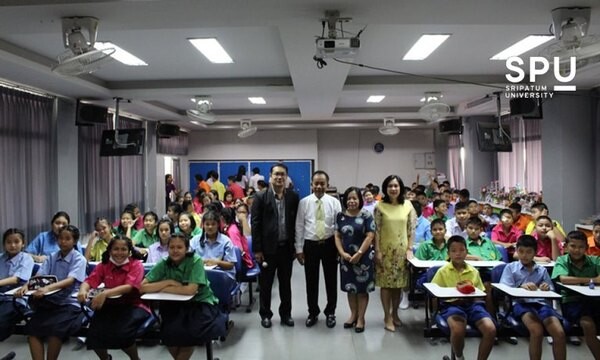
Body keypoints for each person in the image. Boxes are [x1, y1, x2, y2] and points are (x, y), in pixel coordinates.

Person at [141, 234, 227, 360]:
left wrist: (163, 288)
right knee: (169, 335)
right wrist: (167, 282)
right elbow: (142, 287)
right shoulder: (164, 263)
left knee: (189, 333)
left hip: (200, 304)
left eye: (179, 247)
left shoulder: (195, 261)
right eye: (172, 247)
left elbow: (190, 290)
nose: (175, 251)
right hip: (174, 305)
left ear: (187, 249)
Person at [16, 225, 87, 360]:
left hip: (69, 303)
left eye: (67, 239)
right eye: (60, 238)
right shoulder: (52, 257)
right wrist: (27, 285)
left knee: (55, 332)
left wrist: (48, 288)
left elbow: (70, 280)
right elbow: (39, 276)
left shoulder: (79, 259)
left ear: (74, 241)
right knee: (32, 331)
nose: (63, 242)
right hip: (50, 301)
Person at [77, 236, 150, 360]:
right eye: (116, 249)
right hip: (110, 305)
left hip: (134, 305)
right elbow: (90, 280)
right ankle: (105, 358)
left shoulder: (136, 264)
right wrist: (82, 290)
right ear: (110, 250)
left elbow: (129, 287)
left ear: (129, 251)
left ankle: (135, 358)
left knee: (122, 334)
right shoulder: (104, 265)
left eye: (124, 249)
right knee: (94, 334)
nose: (120, 253)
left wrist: (105, 294)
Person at [500, 235, 566, 360]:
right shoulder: (510, 268)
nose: (525, 255)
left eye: (529, 252)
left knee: (559, 333)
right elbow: (505, 290)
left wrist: (546, 288)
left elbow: (551, 291)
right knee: (537, 331)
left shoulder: (542, 270)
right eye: (521, 251)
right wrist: (520, 286)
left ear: (535, 253)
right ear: (516, 251)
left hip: (542, 304)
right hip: (521, 305)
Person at [431, 235, 497, 360]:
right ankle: (460, 357)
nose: (458, 254)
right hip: (451, 305)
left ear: (467, 252)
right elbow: (434, 293)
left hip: (473, 305)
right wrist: (435, 313)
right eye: (454, 251)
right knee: (457, 330)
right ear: (448, 253)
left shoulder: (474, 271)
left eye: (462, 250)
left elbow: (480, 293)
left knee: (490, 329)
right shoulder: (442, 271)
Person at [251, 163, 299, 328]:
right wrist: (257, 249)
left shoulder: (293, 197)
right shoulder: (260, 197)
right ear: (270, 176)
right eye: (276, 174)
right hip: (267, 250)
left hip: (286, 248)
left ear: (286, 177)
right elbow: (255, 224)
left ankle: (286, 314)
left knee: (286, 284)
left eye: (282, 175)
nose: (279, 177)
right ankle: (265, 315)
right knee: (266, 284)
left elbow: (296, 223)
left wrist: (296, 247)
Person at [295, 170, 342, 328]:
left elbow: (338, 227)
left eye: (322, 183)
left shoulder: (334, 202)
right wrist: (299, 249)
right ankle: (313, 312)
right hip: (311, 245)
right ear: (311, 185)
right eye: (316, 183)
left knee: (331, 281)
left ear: (327, 185)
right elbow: (299, 226)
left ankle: (331, 312)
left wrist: (339, 249)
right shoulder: (304, 202)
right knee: (311, 281)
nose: (319, 186)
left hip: (329, 245)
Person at [374, 175, 416, 331]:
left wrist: (410, 249)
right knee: (385, 285)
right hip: (385, 251)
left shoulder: (408, 205)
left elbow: (411, 230)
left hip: (401, 251)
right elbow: (376, 230)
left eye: (396, 186)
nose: (393, 189)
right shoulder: (379, 206)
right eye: (390, 186)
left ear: (401, 188)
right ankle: (387, 316)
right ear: (385, 188)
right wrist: (377, 250)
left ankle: (395, 314)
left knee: (398, 285)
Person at [552, 231, 600, 359]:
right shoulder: (562, 260)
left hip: (595, 300)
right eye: (573, 246)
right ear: (566, 247)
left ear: (587, 248)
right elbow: (564, 279)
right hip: (572, 302)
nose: (577, 250)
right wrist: (592, 280)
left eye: (581, 247)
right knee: (587, 325)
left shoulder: (595, 260)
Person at [334, 187, 375, 333]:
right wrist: (341, 252)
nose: (351, 201)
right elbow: (337, 235)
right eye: (349, 198)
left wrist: (359, 253)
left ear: (360, 200)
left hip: (363, 257)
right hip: (346, 258)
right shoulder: (340, 216)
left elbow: (370, 235)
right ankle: (353, 315)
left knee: (362, 290)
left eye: (355, 198)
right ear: (345, 200)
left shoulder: (366, 215)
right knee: (350, 289)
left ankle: (361, 318)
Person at [0, 228, 34, 341]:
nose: (12, 245)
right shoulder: (1, 258)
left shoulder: (26, 258)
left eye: (16, 242)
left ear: (23, 243)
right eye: (8, 242)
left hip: (15, 299)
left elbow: (15, 280)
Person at [190, 210, 237, 280]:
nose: (210, 227)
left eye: (213, 224)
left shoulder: (226, 241)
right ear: (203, 225)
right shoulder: (195, 240)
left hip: (222, 275)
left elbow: (231, 265)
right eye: (207, 224)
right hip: (200, 274)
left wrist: (217, 262)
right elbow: (187, 258)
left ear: (218, 225)